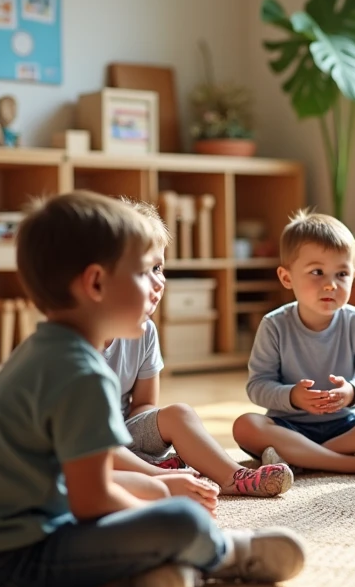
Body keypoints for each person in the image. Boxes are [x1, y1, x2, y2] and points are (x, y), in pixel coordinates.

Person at [0, 192, 305, 587]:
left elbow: (81, 478)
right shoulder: (81, 372)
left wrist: (153, 489)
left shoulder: (42, 351)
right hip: (10, 566)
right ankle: (231, 554)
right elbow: (93, 500)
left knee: (150, 493)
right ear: (96, 283)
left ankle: (140, 580)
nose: (156, 286)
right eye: (146, 272)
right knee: (180, 520)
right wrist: (159, 517)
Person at [102, 199, 292, 497]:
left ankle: (234, 476)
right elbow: (82, 440)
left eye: (159, 267)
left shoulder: (144, 331)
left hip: (122, 437)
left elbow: (143, 405)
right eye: (143, 271)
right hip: (86, 446)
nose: (158, 282)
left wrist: (151, 439)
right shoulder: (77, 345)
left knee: (178, 413)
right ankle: (160, 475)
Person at [232, 209, 355, 476]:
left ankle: (304, 458)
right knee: (245, 426)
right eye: (317, 272)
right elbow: (258, 385)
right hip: (289, 426)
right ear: (287, 278)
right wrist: (292, 397)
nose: (331, 285)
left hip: (346, 426)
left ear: (353, 277)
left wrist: (353, 393)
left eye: (341, 274)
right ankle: (351, 463)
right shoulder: (274, 325)